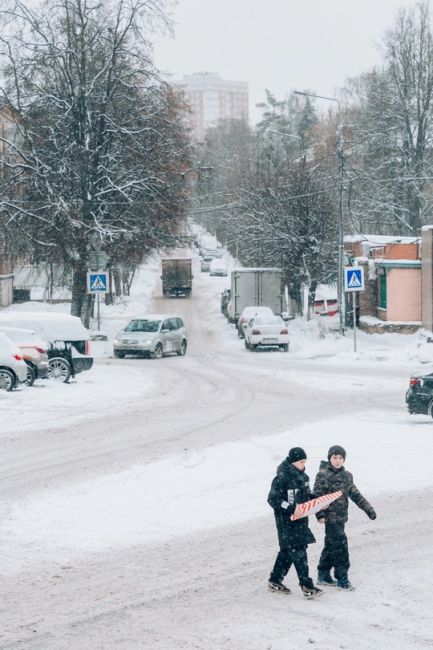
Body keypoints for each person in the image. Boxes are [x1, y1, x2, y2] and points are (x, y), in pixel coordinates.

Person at [314, 445, 377, 591]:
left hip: (341, 518)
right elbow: (317, 496)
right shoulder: (323, 475)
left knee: (331, 545)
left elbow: (355, 494)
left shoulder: (347, 476)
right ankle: (342, 579)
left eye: (340, 458)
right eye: (335, 457)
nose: (337, 461)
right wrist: (320, 514)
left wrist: (368, 509)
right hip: (330, 519)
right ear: (329, 458)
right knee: (341, 546)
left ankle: (323, 575)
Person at [267, 447, 323, 599]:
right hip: (286, 522)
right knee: (298, 552)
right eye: (300, 462)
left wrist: (318, 503)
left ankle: (275, 580)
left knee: (287, 552)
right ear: (292, 462)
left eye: (304, 461)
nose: (303, 464)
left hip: (301, 520)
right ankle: (307, 586)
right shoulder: (281, 478)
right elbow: (273, 499)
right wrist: (291, 509)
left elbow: (306, 497)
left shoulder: (304, 478)